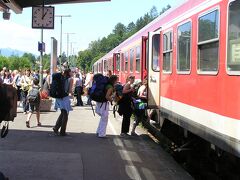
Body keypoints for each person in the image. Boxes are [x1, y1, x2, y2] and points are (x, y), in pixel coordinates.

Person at [53, 69, 73, 136]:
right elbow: (69, 90)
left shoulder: (61, 78)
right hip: (64, 97)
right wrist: (72, 93)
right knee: (65, 114)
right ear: (69, 73)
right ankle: (62, 132)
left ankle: (56, 128)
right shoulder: (70, 79)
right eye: (71, 72)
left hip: (58, 97)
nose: (72, 73)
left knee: (62, 113)